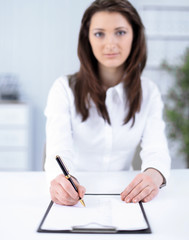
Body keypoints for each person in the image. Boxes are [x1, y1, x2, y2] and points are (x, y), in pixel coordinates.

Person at [44, 0, 171, 206]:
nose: (110, 44)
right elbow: (59, 149)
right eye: (99, 33)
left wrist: (154, 174)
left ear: (135, 36)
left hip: (124, 196)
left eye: (120, 32)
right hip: (79, 194)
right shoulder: (63, 89)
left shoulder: (149, 91)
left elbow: (156, 149)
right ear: (88, 39)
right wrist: (60, 182)